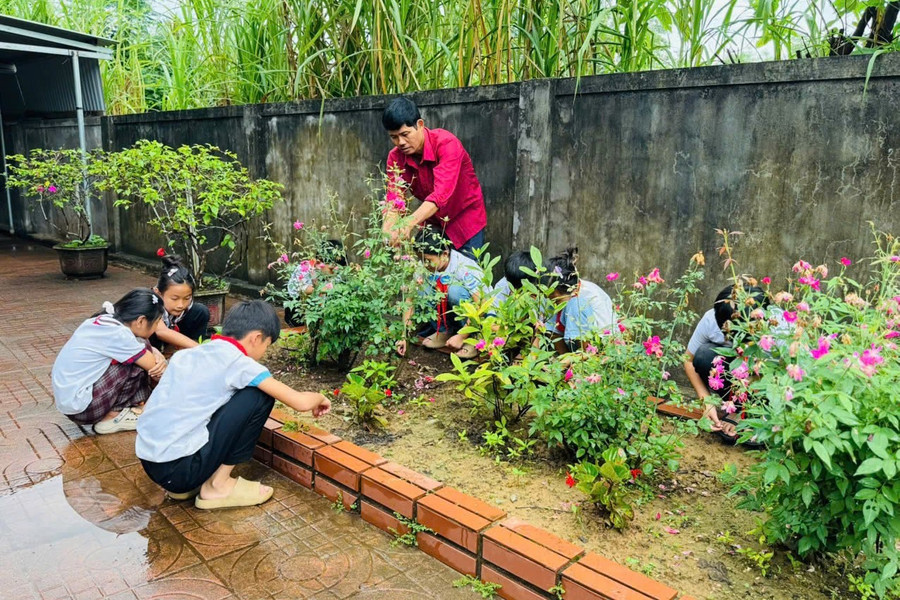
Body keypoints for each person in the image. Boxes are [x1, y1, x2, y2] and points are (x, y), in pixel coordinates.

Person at [136, 300, 331, 509]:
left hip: (151, 463)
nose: (263, 353)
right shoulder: (239, 363)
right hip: (180, 469)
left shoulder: (187, 354)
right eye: (266, 346)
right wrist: (320, 398)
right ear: (256, 338)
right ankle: (217, 486)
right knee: (259, 396)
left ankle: (183, 488)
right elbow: (299, 403)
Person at [381, 97, 488, 258]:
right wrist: (388, 230)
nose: (400, 142)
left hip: (465, 222)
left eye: (405, 134)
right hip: (432, 224)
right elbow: (394, 197)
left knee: (467, 278)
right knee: (433, 278)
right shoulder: (395, 157)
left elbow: (440, 195)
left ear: (420, 125)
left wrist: (408, 223)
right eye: (394, 137)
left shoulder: (447, 144)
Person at [51, 289, 167, 434]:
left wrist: (155, 353)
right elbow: (157, 370)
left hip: (73, 403)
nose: (156, 328)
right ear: (141, 321)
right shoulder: (119, 335)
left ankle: (127, 408)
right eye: (156, 323)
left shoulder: (103, 321)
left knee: (141, 349)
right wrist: (161, 362)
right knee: (138, 359)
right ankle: (113, 417)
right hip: (84, 409)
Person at [683, 284, 769, 441]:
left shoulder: (780, 329)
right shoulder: (711, 320)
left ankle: (756, 414)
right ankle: (735, 408)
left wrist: (749, 413)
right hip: (735, 377)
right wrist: (706, 401)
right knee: (703, 355)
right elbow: (688, 360)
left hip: (765, 384)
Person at [397, 225, 488, 359]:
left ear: (445, 254)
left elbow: (482, 305)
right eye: (421, 260)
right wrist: (404, 336)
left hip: (478, 319)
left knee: (455, 291)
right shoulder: (424, 266)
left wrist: (462, 336)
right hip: (450, 316)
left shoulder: (464, 268)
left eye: (428, 261)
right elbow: (410, 300)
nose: (425, 265)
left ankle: (472, 338)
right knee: (421, 290)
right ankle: (444, 331)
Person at [543, 248, 616, 353]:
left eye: (557, 301)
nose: (552, 301)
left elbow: (608, 341)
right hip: (569, 352)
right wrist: (562, 362)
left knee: (575, 305)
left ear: (574, 290)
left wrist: (577, 361)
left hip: (595, 352)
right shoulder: (552, 295)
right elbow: (553, 331)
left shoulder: (593, 297)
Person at [150, 254, 210, 351]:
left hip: (172, 327)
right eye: (174, 298)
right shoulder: (150, 301)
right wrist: (201, 349)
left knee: (200, 311)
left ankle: (185, 351)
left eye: (187, 298)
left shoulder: (185, 302)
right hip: (147, 343)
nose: (181, 305)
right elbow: (161, 331)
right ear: (158, 293)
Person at [284, 239, 347, 327]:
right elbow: (302, 289)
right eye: (332, 269)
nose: (335, 273)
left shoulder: (336, 272)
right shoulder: (304, 268)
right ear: (318, 262)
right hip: (300, 312)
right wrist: (323, 289)